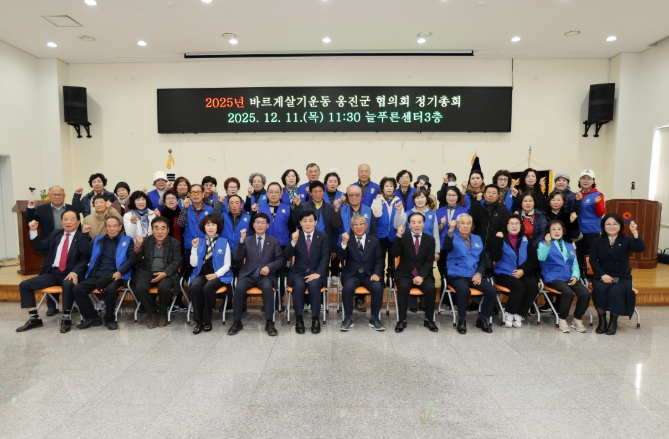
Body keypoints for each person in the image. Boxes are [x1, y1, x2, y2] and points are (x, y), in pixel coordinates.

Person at [16, 209, 91, 333]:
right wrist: (33, 231)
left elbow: (85, 258)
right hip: (52, 273)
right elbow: (40, 247)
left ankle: (66, 318)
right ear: (61, 221)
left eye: (72, 219)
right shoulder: (56, 233)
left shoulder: (82, 236)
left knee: (68, 285)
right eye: (65, 219)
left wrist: (75, 272)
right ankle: (34, 319)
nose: (68, 222)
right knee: (25, 285)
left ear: (78, 222)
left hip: (70, 273)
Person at [25, 185, 80, 316]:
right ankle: (52, 306)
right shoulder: (42, 209)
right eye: (54, 194)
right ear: (49, 196)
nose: (57, 197)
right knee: (50, 273)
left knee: (68, 279)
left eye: (60, 194)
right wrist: (30, 208)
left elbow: (78, 224)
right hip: (50, 246)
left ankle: (70, 306)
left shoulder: (71, 209)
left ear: (64, 196)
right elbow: (31, 222)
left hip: (71, 245)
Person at [73, 217, 133, 330]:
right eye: (109, 226)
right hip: (98, 274)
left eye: (115, 226)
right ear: (105, 228)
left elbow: (131, 259)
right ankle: (92, 317)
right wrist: (84, 235)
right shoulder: (98, 239)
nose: (112, 229)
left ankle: (110, 319)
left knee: (110, 290)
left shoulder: (128, 240)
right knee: (78, 289)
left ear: (120, 227)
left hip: (116, 275)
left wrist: (120, 271)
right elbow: (85, 251)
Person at [229, 213, 285, 336]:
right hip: (248, 274)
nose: (260, 225)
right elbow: (237, 257)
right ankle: (237, 322)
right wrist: (241, 240)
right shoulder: (247, 240)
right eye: (257, 222)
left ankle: (269, 322)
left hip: (265, 276)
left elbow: (281, 260)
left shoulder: (274, 241)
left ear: (267, 226)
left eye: (263, 223)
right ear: (253, 225)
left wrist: (269, 267)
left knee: (267, 288)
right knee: (239, 288)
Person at [590, 215, 645, 335]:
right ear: (603, 226)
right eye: (608, 224)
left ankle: (613, 322)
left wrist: (634, 232)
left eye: (615, 224)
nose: (611, 227)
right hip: (602, 275)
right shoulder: (597, 241)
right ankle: (602, 321)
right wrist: (602, 275)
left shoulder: (626, 240)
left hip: (622, 276)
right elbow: (593, 260)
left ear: (620, 226)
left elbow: (640, 248)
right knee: (599, 289)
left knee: (616, 291)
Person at [444, 213, 498, 334]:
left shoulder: (477, 239)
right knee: (464, 290)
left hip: (474, 275)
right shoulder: (452, 237)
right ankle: (462, 320)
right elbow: (446, 247)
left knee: (491, 290)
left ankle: (482, 319)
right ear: (457, 225)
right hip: (457, 275)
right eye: (462, 223)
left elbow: (482, 260)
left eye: (468, 223)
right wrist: (450, 230)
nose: (465, 226)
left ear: (471, 225)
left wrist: (479, 274)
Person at [537, 220, 591, 333]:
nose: (556, 231)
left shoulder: (569, 245)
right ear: (548, 231)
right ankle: (562, 319)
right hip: (553, 277)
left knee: (585, 293)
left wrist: (575, 276)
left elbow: (575, 264)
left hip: (569, 277)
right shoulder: (543, 244)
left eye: (559, 229)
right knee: (568, 293)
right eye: (553, 229)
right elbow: (541, 258)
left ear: (563, 231)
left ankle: (577, 319)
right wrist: (547, 244)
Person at [130, 217, 182, 329]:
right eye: (156, 228)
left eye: (163, 228)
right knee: (140, 288)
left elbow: (177, 261)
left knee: (164, 288)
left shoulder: (174, 243)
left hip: (166, 273)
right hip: (148, 272)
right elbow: (135, 259)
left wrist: (165, 273)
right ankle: (152, 313)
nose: (160, 231)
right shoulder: (146, 241)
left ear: (168, 230)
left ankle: (162, 313)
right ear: (152, 230)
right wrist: (137, 246)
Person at [284, 211, 330, 334]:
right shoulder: (296, 236)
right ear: (300, 223)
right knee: (298, 286)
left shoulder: (323, 237)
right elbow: (287, 254)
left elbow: (325, 257)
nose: (308, 223)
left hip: (316, 272)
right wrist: (293, 242)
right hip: (298, 273)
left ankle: (315, 320)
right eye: (304, 221)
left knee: (314, 285)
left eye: (310, 221)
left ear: (316, 222)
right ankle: (299, 320)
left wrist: (318, 273)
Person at [337, 214, 385, 331]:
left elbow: (379, 260)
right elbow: (340, 257)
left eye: (361, 224)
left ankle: (374, 318)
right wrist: (343, 244)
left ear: (366, 225)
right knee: (348, 287)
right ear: (352, 227)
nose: (359, 227)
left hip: (369, 275)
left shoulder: (374, 241)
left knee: (378, 287)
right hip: (352, 275)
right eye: (356, 224)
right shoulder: (347, 240)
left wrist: (377, 274)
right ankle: (348, 318)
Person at [490, 215, 539, 328]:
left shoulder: (526, 239)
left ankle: (519, 314)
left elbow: (532, 259)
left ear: (521, 226)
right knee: (519, 286)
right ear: (506, 226)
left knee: (533, 287)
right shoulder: (500, 237)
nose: (514, 226)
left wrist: (523, 270)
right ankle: (509, 313)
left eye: (517, 223)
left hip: (521, 272)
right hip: (503, 273)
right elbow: (494, 257)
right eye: (511, 223)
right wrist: (498, 240)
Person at [392, 213, 438, 333]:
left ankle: (429, 319)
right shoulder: (403, 238)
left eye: (419, 222)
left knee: (431, 289)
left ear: (424, 224)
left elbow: (429, 261)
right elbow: (394, 253)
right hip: (405, 274)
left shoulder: (430, 240)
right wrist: (398, 236)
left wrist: (421, 276)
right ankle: (401, 320)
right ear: (409, 225)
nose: (416, 225)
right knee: (403, 288)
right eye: (413, 222)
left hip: (423, 274)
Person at [333, 184, 376, 312]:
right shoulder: (342, 210)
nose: (354, 197)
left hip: (364, 247)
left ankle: (360, 300)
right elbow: (336, 226)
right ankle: (348, 302)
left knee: (364, 270)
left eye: (357, 194)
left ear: (361, 196)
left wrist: (371, 246)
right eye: (351, 195)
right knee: (351, 273)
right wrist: (336, 211)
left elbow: (372, 230)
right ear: (347, 196)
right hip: (346, 247)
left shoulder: (368, 210)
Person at [188, 215, 231, 334]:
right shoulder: (199, 241)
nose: (210, 227)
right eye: (208, 225)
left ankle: (207, 321)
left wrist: (216, 275)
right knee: (194, 287)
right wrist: (194, 248)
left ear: (218, 227)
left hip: (219, 275)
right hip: (201, 273)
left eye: (213, 224)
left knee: (207, 288)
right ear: (204, 227)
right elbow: (193, 264)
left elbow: (227, 265)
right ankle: (198, 321)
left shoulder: (224, 242)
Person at [293, 181, 338, 295]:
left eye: (320, 191)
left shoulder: (330, 208)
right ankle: (307, 301)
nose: (318, 194)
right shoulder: (304, 206)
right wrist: (297, 207)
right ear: (310, 193)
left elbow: (334, 229)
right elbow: (296, 221)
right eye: (315, 192)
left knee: (321, 272)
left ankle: (321, 301)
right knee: (306, 273)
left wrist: (333, 248)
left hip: (325, 245)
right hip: (307, 245)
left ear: (324, 192)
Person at [178, 184, 213, 278]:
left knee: (204, 272)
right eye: (193, 192)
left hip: (205, 245)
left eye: (198, 192)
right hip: (190, 244)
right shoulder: (186, 208)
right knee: (191, 271)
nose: (196, 195)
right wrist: (185, 208)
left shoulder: (210, 209)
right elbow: (181, 223)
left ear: (203, 194)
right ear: (189, 195)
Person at [436, 186, 468, 286]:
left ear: (458, 197)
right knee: (442, 270)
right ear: (445, 196)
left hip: (457, 245)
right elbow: (435, 231)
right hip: (442, 245)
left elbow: (466, 228)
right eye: (449, 195)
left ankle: (454, 293)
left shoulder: (464, 211)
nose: (451, 197)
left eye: (454, 195)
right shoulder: (439, 211)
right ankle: (444, 292)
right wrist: (441, 225)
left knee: (455, 271)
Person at [575, 169, 606, 276]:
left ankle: (591, 276)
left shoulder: (598, 195)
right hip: (579, 230)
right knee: (579, 252)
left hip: (592, 231)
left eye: (589, 179)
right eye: (583, 178)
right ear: (579, 180)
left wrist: (597, 203)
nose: (586, 181)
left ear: (593, 181)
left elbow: (601, 213)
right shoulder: (577, 194)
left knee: (590, 254)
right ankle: (580, 275)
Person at [371, 177, 401, 286]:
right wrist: (379, 201)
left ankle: (391, 278)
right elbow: (377, 214)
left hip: (393, 234)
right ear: (382, 188)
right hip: (380, 235)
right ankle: (380, 278)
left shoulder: (398, 200)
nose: (389, 188)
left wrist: (399, 211)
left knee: (393, 259)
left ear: (394, 188)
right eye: (386, 186)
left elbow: (401, 219)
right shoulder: (376, 200)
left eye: (391, 186)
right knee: (380, 258)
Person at [469, 184, 510, 252]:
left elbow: (505, 228)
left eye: (494, 193)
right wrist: (477, 201)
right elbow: (472, 218)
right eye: (488, 192)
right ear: (484, 195)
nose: (491, 195)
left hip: (494, 247)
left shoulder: (503, 211)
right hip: (478, 246)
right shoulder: (479, 208)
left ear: (498, 196)